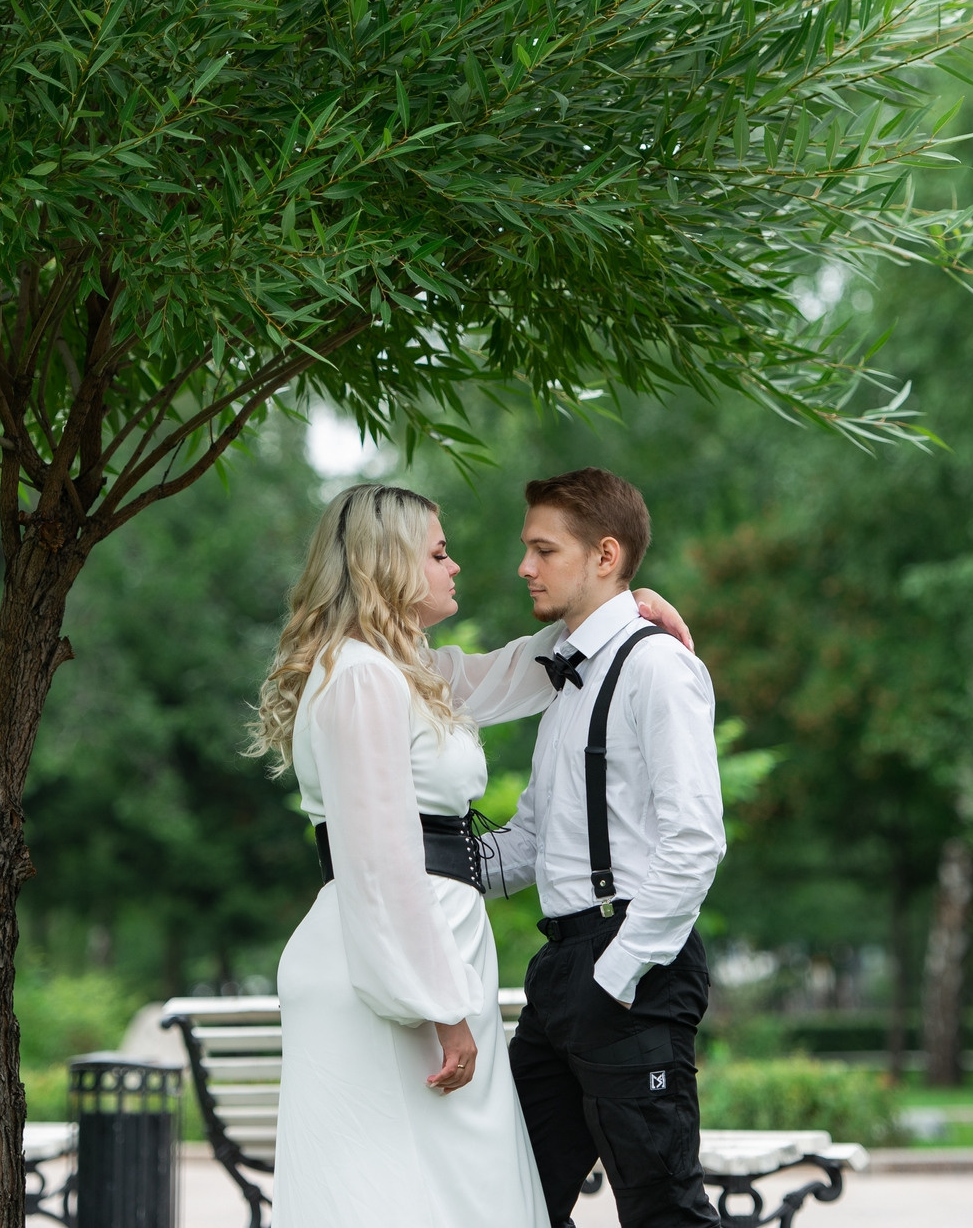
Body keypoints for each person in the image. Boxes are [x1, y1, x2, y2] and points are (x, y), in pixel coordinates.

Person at [249, 482, 692, 1228]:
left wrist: (624, 609)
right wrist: (440, 1004)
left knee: (455, 1194)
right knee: (406, 1198)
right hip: (393, 975)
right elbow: (380, 863)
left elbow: (522, 669)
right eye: (439, 552)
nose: (457, 566)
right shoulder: (361, 678)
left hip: (426, 960)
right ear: (387, 564)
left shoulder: (407, 671)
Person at [489, 468, 727, 1228]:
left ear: (604, 555)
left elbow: (696, 842)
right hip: (560, 970)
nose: (525, 566)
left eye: (543, 549)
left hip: (629, 967)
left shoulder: (657, 666)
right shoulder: (564, 677)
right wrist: (413, 858)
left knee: (664, 1210)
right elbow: (531, 837)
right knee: (504, 1196)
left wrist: (615, 974)